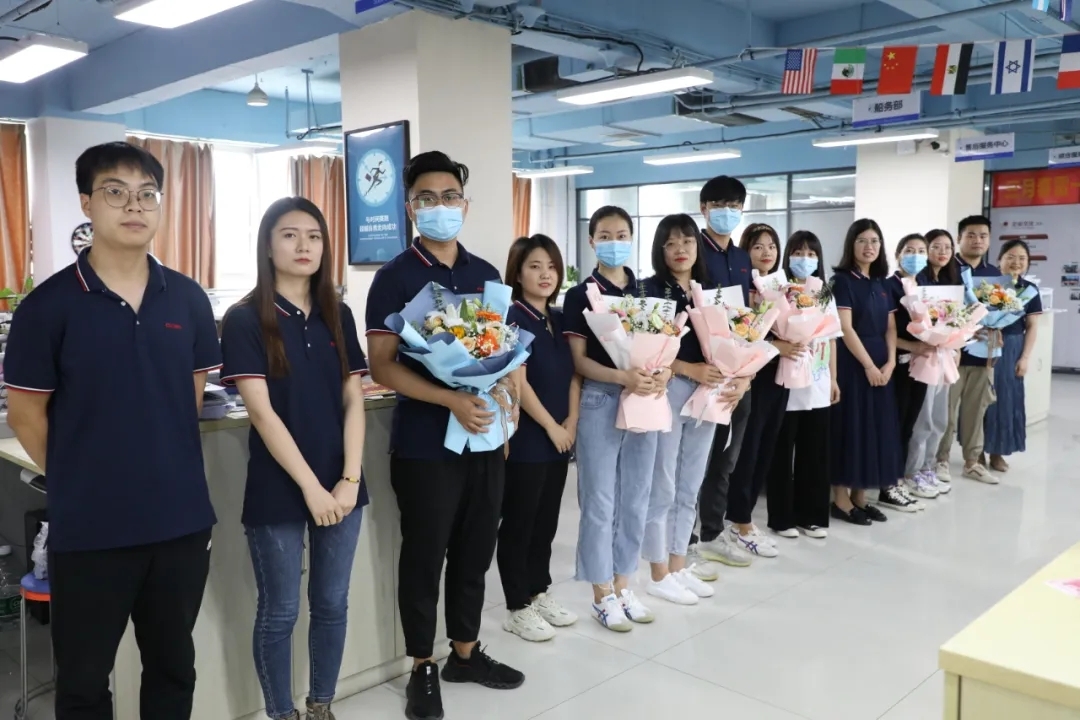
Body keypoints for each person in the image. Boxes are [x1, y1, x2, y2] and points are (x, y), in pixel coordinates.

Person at [3, 141, 220, 720]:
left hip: (179, 523)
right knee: (83, 683)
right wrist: (81, 480)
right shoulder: (47, 307)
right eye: (116, 192)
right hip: (91, 530)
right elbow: (25, 415)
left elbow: (188, 399)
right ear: (87, 203)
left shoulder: (188, 299)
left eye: (148, 194)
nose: (134, 206)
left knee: (173, 669)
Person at [365, 151, 523, 720]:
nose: (440, 206)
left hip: (484, 436)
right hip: (425, 442)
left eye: (449, 196)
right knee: (425, 554)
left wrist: (504, 404)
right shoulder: (393, 278)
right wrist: (450, 398)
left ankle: (465, 652)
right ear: (411, 208)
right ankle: (422, 666)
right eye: (427, 199)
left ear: (465, 204)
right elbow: (382, 365)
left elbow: (500, 351)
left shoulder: (486, 273)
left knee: (476, 549)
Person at [220, 198, 368, 720]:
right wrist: (310, 487)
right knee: (280, 611)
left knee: (331, 602)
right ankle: (282, 714)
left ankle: (320, 705)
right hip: (279, 483)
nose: (304, 245)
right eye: (289, 234)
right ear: (267, 245)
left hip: (342, 482)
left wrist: (350, 478)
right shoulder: (244, 319)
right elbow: (262, 414)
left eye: (314, 235)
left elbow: (353, 400)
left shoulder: (338, 314)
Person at [563, 205, 666, 632]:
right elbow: (579, 361)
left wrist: (661, 374)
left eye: (622, 234)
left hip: (645, 399)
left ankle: (625, 584)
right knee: (600, 500)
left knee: (637, 496)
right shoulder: (580, 295)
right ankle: (601, 592)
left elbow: (664, 346)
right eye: (605, 236)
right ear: (592, 241)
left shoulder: (647, 292)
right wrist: (622, 377)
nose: (614, 242)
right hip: (601, 399)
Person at [641, 214, 748, 606]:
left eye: (687, 241)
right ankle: (657, 574)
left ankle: (678, 564)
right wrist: (689, 369)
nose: (680, 249)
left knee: (690, 484)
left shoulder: (713, 291)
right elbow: (642, 353)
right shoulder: (650, 291)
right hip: (668, 390)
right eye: (670, 243)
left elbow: (741, 340)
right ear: (660, 249)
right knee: (663, 485)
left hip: (709, 393)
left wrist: (741, 376)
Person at [498, 234, 581, 642]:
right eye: (534, 266)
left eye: (551, 266)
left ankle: (538, 590)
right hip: (528, 437)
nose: (545, 274)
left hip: (560, 438)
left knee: (546, 520)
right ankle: (517, 606)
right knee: (520, 521)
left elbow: (575, 374)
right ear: (517, 273)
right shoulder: (512, 318)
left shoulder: (559, 319)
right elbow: (520, 382)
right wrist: (551, 426)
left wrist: (572, 422)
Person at [693, 176, 755, 568]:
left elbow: (747, 318)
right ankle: (683, 540)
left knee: (724, 461)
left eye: (734, 205)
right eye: (719, 204)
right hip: (702, 374)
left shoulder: (743, 257)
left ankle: (713, 533)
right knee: (693, 462)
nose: (727, 212)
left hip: (739, 376)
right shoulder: (693, 251)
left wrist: (746, 372)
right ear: (704, 208)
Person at [723, 223, 793, 555]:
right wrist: (778, 345)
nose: (767, 252)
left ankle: (746, 518)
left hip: (780, 374)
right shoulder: (741, 291)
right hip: (752, 376)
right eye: (758, 246)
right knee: (747, 450)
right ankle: (738, 520)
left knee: (766, 447)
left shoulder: (783, 289)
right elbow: (740, 336)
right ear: (745, 251)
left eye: (772, 246)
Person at [766, 231, 838, 540]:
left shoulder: (824, 293)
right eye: (798, 253)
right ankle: (782, 518)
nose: (804, 259)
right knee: (782, 452)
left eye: (811, 254)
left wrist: (834, 379)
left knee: (816, 452)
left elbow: (832, 339)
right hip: (787, 380)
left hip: (819, 381)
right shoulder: (777, 291)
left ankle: (813, 516)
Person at [829, 219, 898, 526]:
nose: (869, 247)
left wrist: (891, 362)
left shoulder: (882, 283)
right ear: (851, 245)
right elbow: (844, 328)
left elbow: (891, 327)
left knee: (874, 430)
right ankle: (841, 500)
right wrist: (869, 365)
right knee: (851, 428)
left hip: (882, 366)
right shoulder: (842, 281)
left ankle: (860, 497)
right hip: (854, 364)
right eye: (862, 241)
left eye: (874, 241)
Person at [936, 215, 1001, 485]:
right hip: (952, 353)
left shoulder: (995, 274)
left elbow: (1001, 310)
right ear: (959, 238)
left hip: (984, 354)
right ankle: (940, 459)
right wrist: (962, 330)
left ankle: (973, 462)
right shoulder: (947, 268)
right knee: (946, 411)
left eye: (983, 235)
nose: (977, 240)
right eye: (971, 235)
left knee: (977, 410)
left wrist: (996, 327)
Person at [882, 234, 938, 511]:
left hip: (921, 365)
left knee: (908, 426)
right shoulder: (889, 287)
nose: (915, 256)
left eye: (920, 251)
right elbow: (884, 331)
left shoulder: (925, 288)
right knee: (894, 426)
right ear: (898, 254)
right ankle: (887, 485)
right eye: (909, 250)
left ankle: (898, 479)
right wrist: (912, 346)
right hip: (898, 365)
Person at [908, 229, 962, 490]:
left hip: (945, 356)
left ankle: (928, 467)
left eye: (947, 247)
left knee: (940, 416)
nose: (942, 252)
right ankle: (913, 471)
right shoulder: (915, 281)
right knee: (924, 418)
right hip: (923, 357)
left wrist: (956, 345)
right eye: (936, 247)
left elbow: (957, 320)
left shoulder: (952, 280)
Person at [983, 239, 1043, 471]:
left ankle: (997, 452)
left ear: (1027, 263)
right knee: (979, 398)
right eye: (1010, 257)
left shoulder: (1030, 290)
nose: (1016, 262)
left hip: (1012, 348)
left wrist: (1025, 357)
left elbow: (1032, 326)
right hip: (983, 344)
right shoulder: (986, 285)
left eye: (1022, 258)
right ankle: (975, 452)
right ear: (1000, 260)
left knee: (1005, 400)